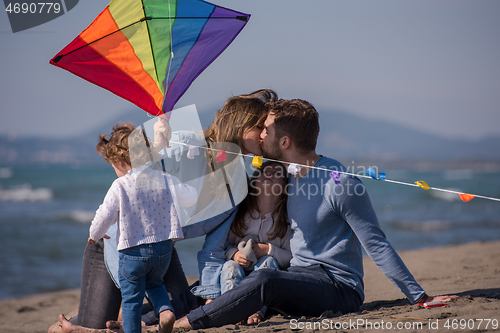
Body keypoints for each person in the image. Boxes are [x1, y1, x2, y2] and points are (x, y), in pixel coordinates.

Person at [174, 98, 459, 329]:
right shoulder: (288, 176)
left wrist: (420, 298)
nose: (261, 135)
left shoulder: (340, 183)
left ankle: (188, 324)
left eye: (267, 131)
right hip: (297, 275)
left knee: (263, 282)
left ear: (284, 142)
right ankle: (149, 318)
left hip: (336, 286)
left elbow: (376, 244)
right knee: (207, 287)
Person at [49, 89, 278, 333]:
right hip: (113, 241)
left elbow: (213, 249)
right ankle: (78, 323)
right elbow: (130, 176)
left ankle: (95, 322)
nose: (266, 134)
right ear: (240, 126)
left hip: (158, 252)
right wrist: (156, 146)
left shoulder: (239, 187)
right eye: (260, 127)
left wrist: (212, 297)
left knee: (182, 308)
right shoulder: (186, 145)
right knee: (93, 322)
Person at [87, 123, 197, 333]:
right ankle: (166, 312)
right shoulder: (164, 179)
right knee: (155, 283)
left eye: (113, 165)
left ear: (120, 161)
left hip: (133, 254)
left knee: (131, 301)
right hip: (163, 252)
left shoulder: (120, 186)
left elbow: (104, 215)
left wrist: (94, 235)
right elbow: (189, 197)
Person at [221, 160, 292, 323]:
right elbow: (223, 246)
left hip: (267, 276)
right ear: (254, 181)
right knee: (229, 267)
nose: (269, 175)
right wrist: (234, 254)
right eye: (264, 171)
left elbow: (291, 257)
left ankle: (256, 309)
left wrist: (268, 250)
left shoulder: (285, 221)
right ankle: (231, 308)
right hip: (240, 269)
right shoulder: (242, 214)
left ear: (285, 186)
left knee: (268, 262)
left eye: (277, 174)